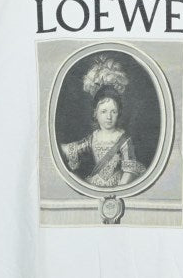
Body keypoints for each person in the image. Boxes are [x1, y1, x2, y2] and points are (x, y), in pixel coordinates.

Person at [60, 55, 146, 187]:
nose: (109, 117)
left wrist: (120, 188)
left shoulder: (124, 140)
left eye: (113, 111)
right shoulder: (93, 138)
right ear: (95, 113)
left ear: (119, 113)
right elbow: (72, 149)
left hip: (118, 185)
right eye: (104, 111)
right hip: (95, 184)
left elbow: (129, 170)